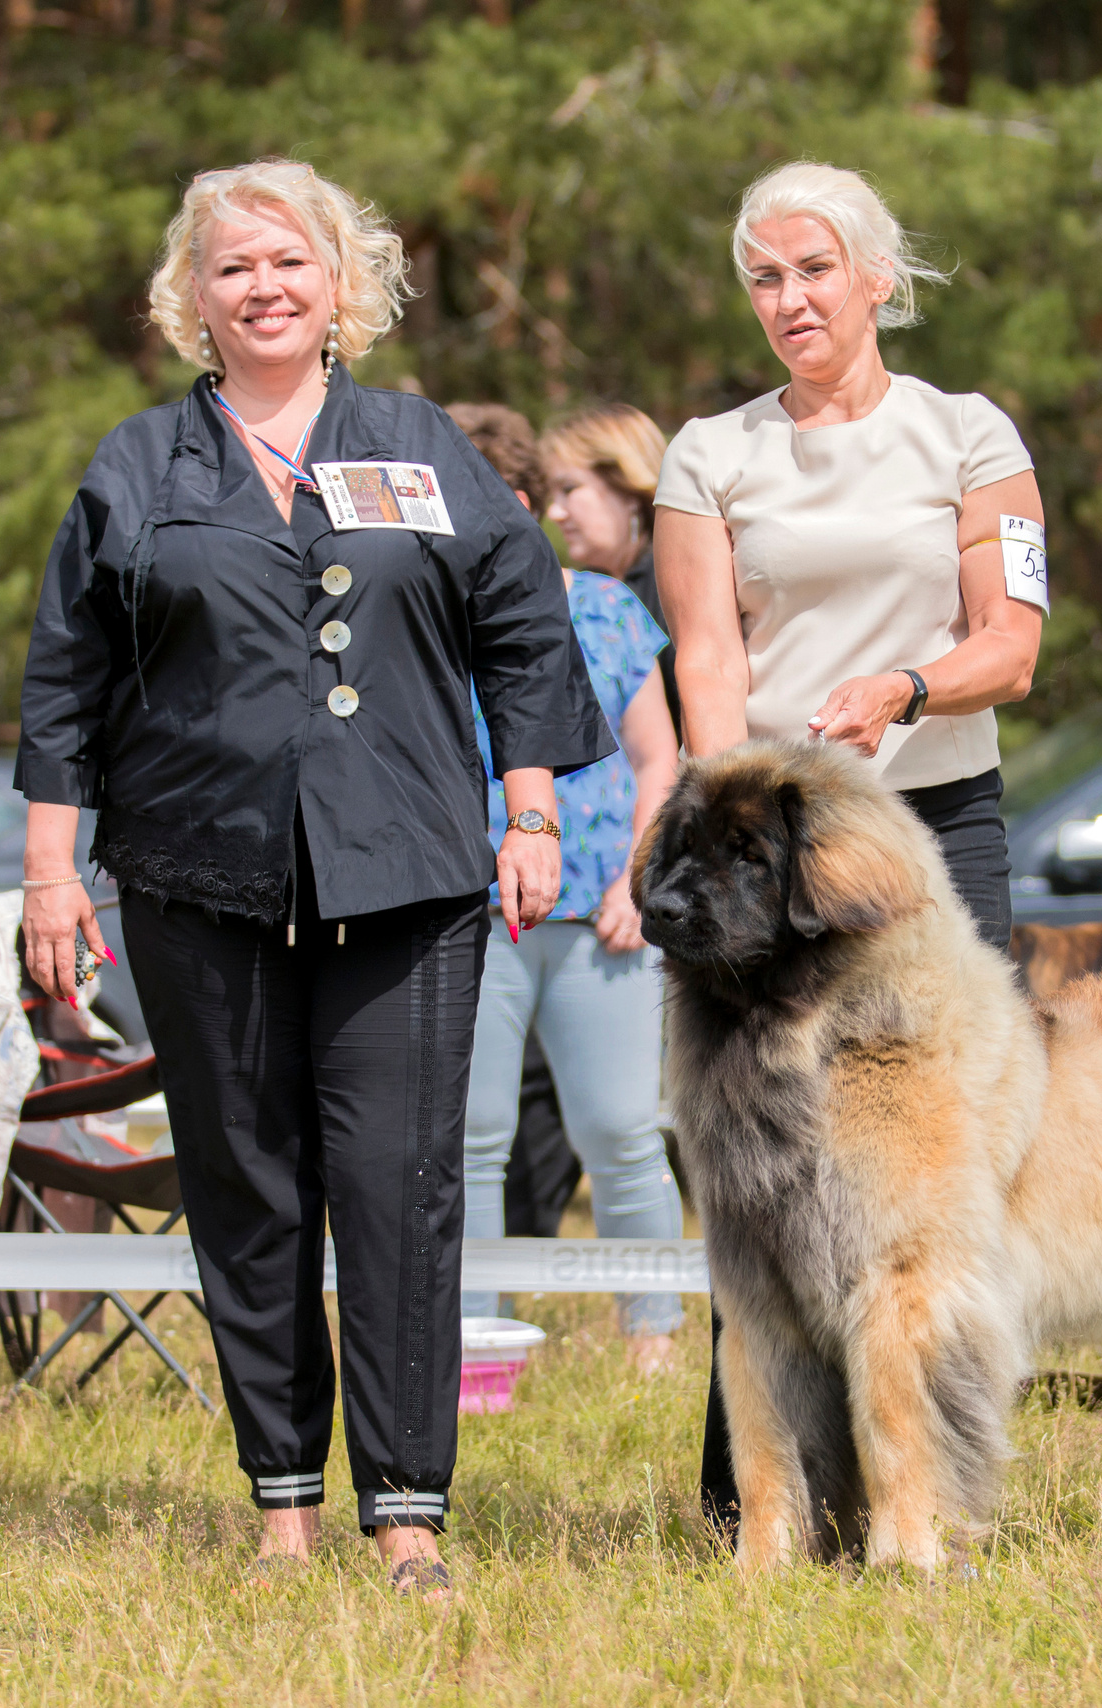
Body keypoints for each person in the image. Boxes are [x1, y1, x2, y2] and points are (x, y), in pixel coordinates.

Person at [14, 160, 612, 1598]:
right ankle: (284, 1507)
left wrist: (529, 808)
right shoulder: (138, 466)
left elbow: (525, 625)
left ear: (343, 287)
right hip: (194, 875)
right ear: (191, 297)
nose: (264, 287)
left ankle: (407, 1512)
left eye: (291, 261)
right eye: (233, 267)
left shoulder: (420, 446)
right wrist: (51, 879)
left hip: (408, 879)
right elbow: (63, 683)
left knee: (402, 1185)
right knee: (248, 1182)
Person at [651, 160, 1049, 1531]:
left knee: (926, 1186)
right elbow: (707, 655)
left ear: (880, 277)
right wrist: (724, 814)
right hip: (768, 854)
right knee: (759, 1168)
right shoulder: (711, 450)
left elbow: (1015, 641)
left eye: (814, 270)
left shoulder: (970, 434)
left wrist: (907, 688)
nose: (789, 299)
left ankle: (924, 1488)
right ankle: (752, 1498)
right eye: (763, 277)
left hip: (931, 831)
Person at [445, 402, 686, 1375]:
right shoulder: (418, 617)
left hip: (605, 919)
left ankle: (655, 1337)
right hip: (471, 916)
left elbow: (656, 756)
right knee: (468, 1137)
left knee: (624, 1130)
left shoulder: (604, 606)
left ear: (528, 505)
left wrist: (642, 877)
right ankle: (471, 1338)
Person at [539, 403, 671, 626]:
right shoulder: (578, 593)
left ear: (628, 490)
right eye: (552, 496)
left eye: (569, 489)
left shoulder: (679, 581)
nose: (554, 513)